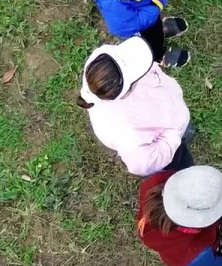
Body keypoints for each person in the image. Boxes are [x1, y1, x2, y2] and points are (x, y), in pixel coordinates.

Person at [78, 35, 196, 176]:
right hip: (167, 136)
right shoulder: (125, 132)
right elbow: (144, 163)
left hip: (166, 112)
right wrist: (174, 134)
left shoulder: (100, 59)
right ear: (127, 90)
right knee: (182, 162)